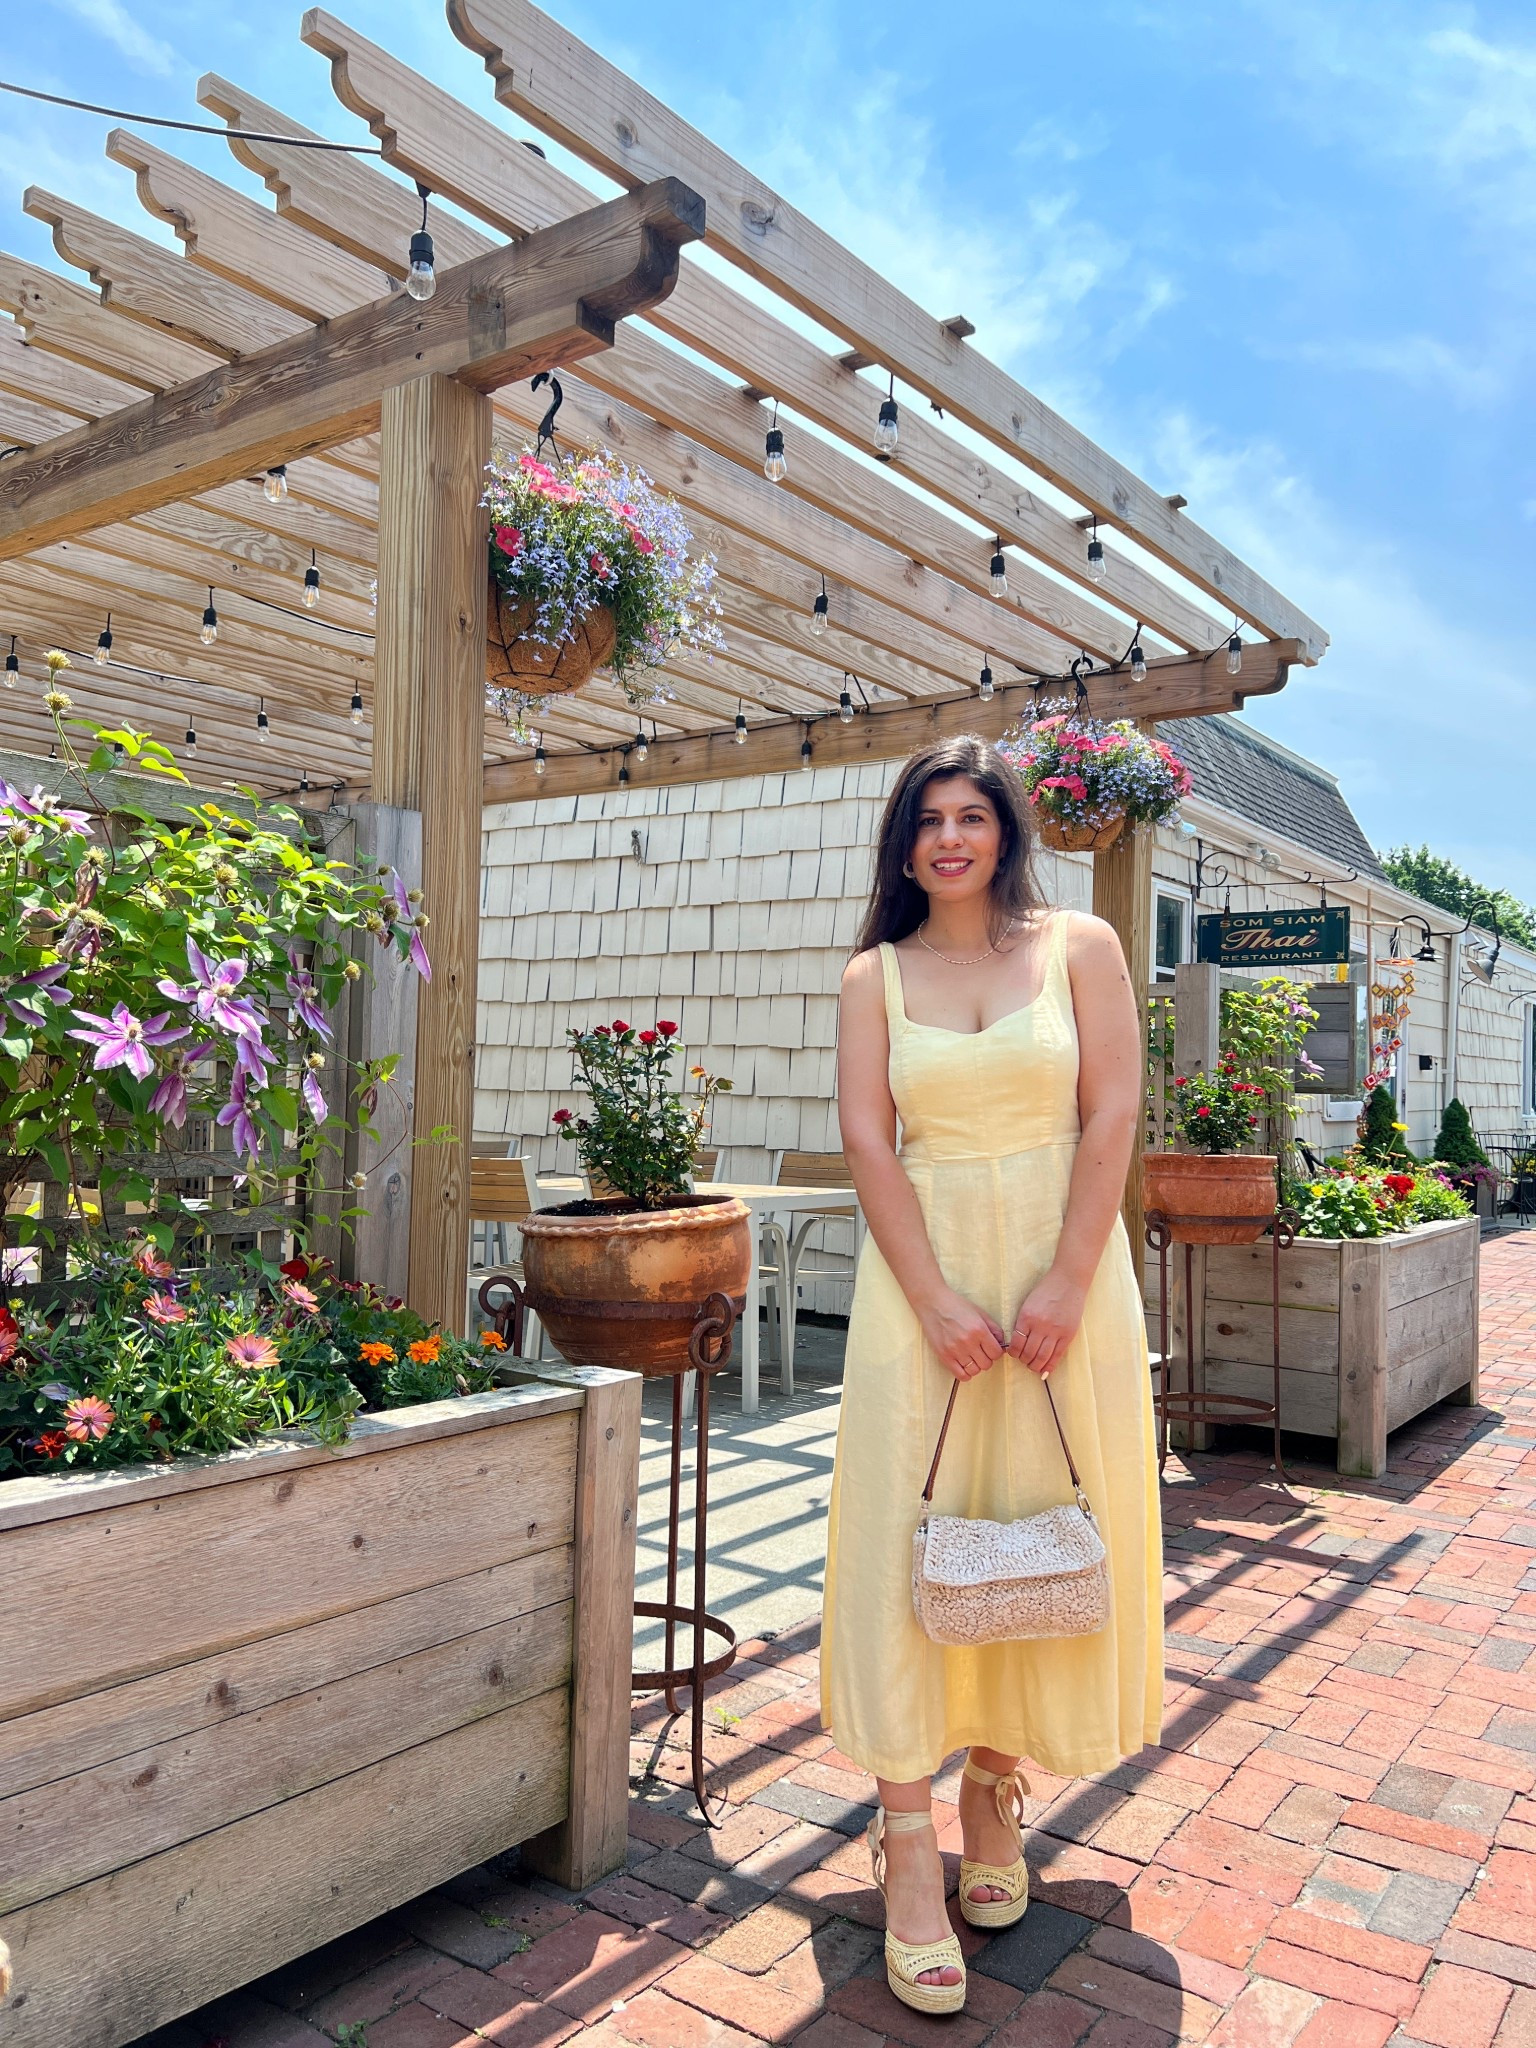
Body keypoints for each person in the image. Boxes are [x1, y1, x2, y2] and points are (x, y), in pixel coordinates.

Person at [822, 735, 1162, 2018]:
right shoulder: (875, 974)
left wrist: (1071, 1279)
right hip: (922, 1285)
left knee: (1032, 1524)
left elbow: (1113, 1110)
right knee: (906, 1536)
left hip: (1064, 1276)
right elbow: (869, 1135)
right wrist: (935, 1298)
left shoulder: (1081, 947)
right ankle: (909, 1840)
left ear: (1008, 830)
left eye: (972, 815)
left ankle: (991, 1788)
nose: (949, 838)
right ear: (904, 842)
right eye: (928, 819)